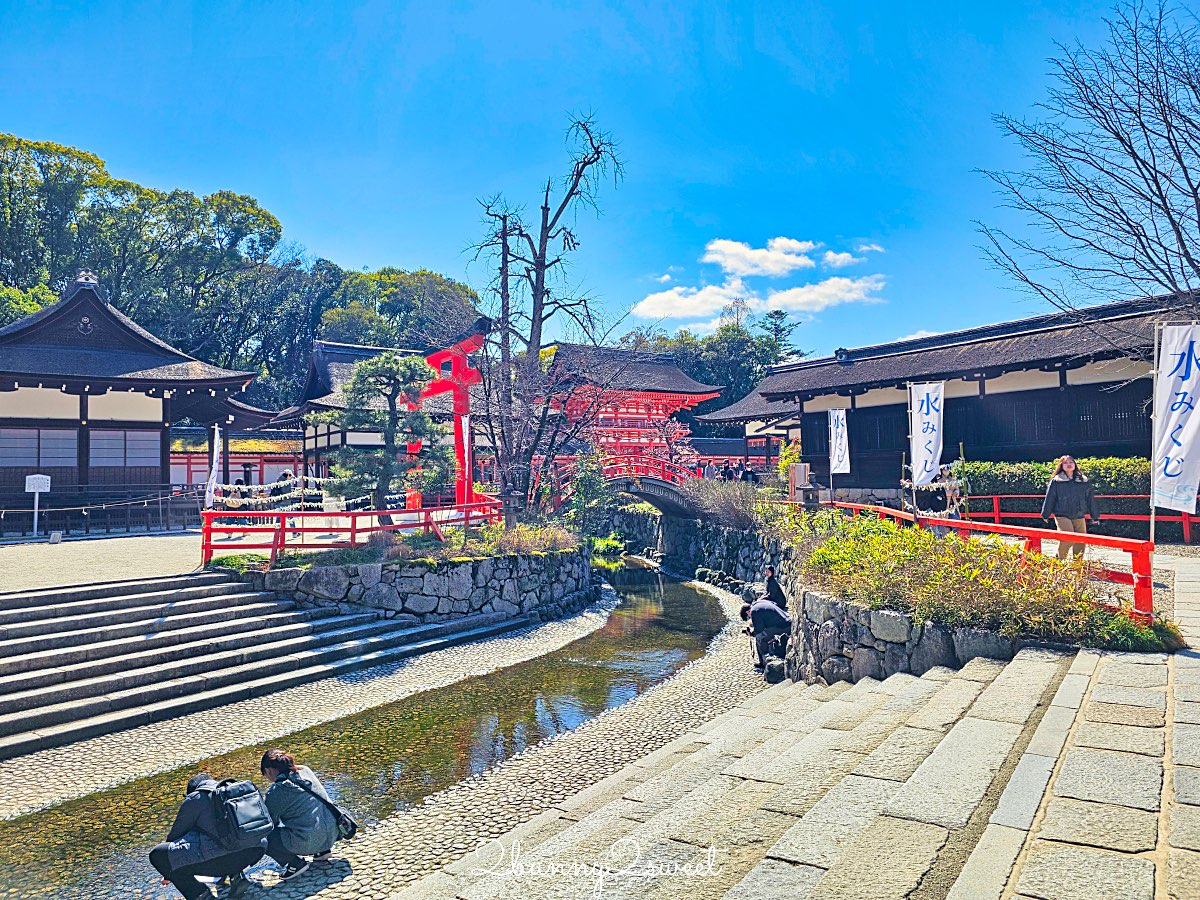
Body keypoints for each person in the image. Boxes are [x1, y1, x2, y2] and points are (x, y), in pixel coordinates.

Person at [149, 773, 263, 900]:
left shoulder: (195, 799)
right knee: (231, 833)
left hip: (228, 858)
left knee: (158, 855)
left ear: (192, 791)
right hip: (256, 850)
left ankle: (201, 895)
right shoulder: (233, 790)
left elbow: (174, 838)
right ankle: (238, 878)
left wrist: (168, 870)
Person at [260, 749, 340, 881]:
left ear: (268, 770)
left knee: (263, 835)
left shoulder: (279, 790)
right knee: (310, 813)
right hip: (333, 831)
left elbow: (270, 822)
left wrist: (264, 803)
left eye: (266, 775)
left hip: (309, 841)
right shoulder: (305, 770)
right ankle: (322, 851)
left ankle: (295, 864)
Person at [1040, 455, 1100, 559]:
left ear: (1074, 464)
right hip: (1061, 514)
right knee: (1067, 538)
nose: (1069, 464)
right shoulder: (1056, 481)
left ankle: (1077, 567)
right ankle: (1059, 560)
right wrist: (1045, 514)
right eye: (1065, 463)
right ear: (1061, 465)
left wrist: (1095, 516)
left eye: (1071, 462)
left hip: (1079, 513)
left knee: (1081, 541)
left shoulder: (1083, 481)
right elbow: (1050, 498)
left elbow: (1090, 499)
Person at [740, 595, 792, 671]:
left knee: (760, 637)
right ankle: (765, 659)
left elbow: (759, 631)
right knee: (764, 634)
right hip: (787, 620)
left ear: (747, 612)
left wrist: (751, 634)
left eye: (748, 617)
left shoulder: (754, 611)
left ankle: (764, 663)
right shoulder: (759, 602)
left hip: (784, 626)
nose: (750, 618)